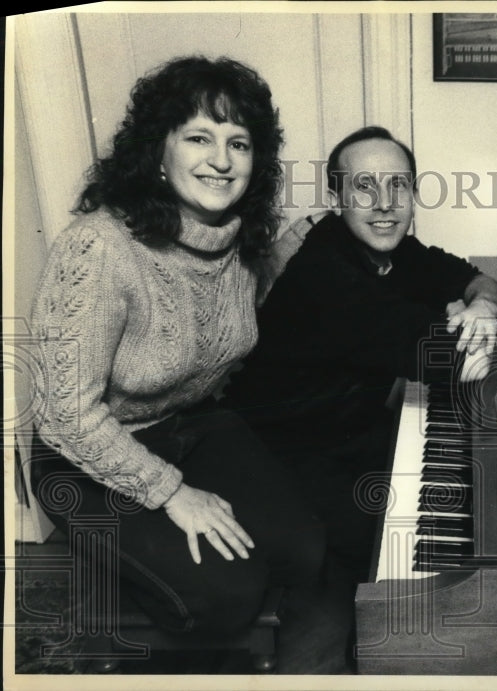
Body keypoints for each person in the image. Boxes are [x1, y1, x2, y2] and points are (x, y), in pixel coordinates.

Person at [29, 56, 325, 643]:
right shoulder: (99, 249)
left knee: (304, 554)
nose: (221, 160)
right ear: (157, 153)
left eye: (238, 143)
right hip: (84, 454)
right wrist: (171, 494)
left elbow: (220, 321)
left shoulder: (239, 240)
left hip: (187, 424)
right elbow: (64, 415)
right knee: (226, 595)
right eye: (199, 137)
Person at [224, 126, 497, 582]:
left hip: (343, 433)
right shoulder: (323, 273)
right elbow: (457, 359)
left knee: (442, 490)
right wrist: (469, 325)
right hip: (281, 454)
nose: (385, 203)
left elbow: (474, 277)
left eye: (398, 185)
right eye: (364, 186)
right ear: (337, 200)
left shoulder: (393, 249)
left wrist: (483, 306)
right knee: (404, 541)